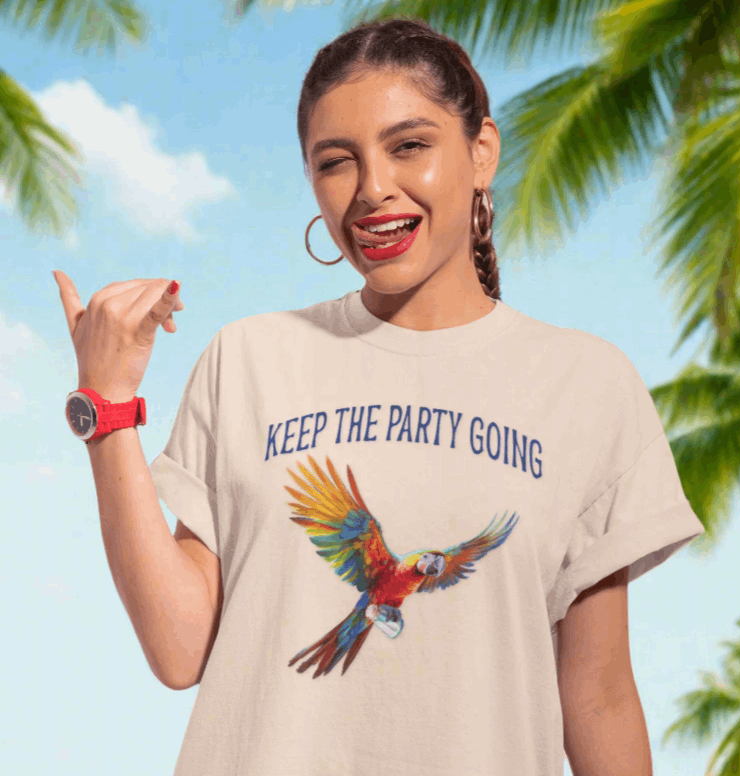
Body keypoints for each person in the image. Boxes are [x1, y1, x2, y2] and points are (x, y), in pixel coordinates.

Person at [54, 16, 705, 776]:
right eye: (336, 162)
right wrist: (108, 409)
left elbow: (597, 696)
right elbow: (177, 649)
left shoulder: (587, 385)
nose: (372, 190)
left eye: (409, 146)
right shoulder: (250, 359)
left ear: (482, 152)